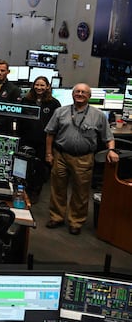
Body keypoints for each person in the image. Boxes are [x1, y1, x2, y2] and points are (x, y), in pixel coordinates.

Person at [44, 83, 117, 235]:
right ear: (72, 94)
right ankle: (56, 217)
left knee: (81, 192)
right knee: (57, 188)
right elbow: (50, 134)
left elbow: (108, 137)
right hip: (61, 155)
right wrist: (49, 153)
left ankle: (75, 221)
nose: (80, 94)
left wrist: (111, 150)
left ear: (89, 96)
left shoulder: (98, 115)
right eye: (77, 91)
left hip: (83, 158)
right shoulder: (60, 111)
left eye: (84, 92)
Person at [18, 76, 61, 200]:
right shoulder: (25, 100)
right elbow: (19, 119)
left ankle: (35, 192)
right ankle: (23, 190)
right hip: (26, 139)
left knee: (40, 168)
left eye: (42, 85)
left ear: (47, 86)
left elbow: (57, 124)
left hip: (44, 142)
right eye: (37, 85)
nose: (39, 87)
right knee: (25, 167)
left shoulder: (54, 103)